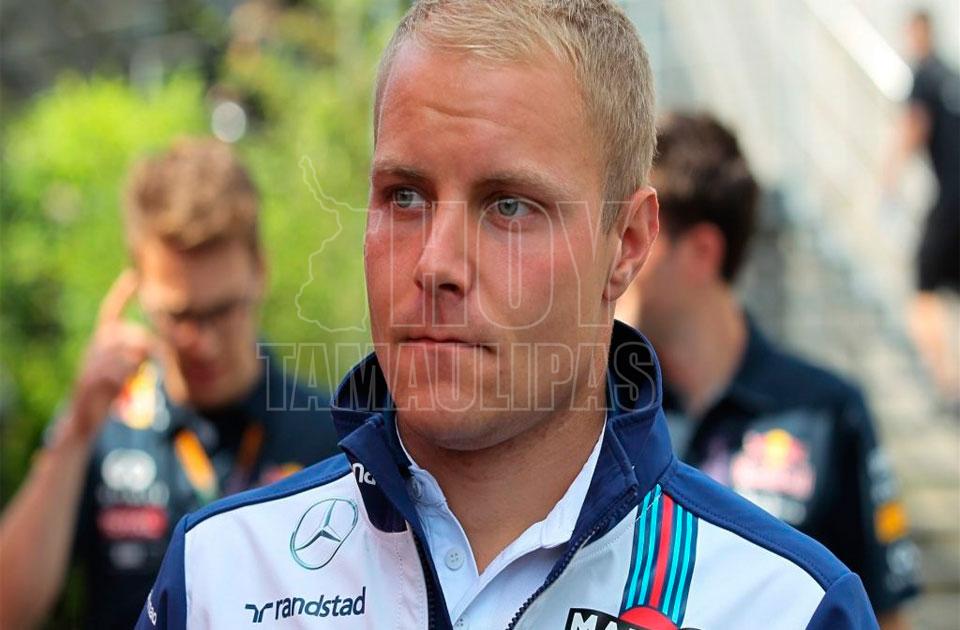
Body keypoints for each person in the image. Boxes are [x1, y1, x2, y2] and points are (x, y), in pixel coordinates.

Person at [138, 3, 877, 629]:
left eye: (509, 207)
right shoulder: (222, 577)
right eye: (404, 196)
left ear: (626, 245)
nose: (436, 263)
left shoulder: (781, 607)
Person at [0, 138, 341, 629]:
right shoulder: (100, 427)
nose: (205, 343)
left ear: (260, 270)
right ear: (137, 286)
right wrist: (75, 433)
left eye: (223, 310)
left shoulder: (329, 434)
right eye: (179, 316)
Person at [617, 112, 921, 629]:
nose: (617, 255)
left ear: (702, 252)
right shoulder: (608, 407)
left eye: (638, 234)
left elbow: (883, 614)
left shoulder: (827, 411)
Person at [884, 9, 960, 402]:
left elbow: (914, 125)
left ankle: (948, 386)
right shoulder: (951, 75)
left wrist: (889, 177)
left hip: (950, 202)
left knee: (922, 292)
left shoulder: (925, 75)